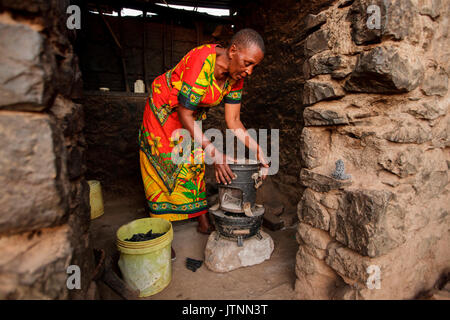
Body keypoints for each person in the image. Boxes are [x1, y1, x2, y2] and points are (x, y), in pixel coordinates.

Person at [138, 29, 268, 253]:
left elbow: (234, 120)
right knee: (163, 166)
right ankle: (162, 234)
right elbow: (184, 113)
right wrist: (216, 153)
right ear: (233, 50)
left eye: (253, 66)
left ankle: (201, 219)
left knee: (194, 165)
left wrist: (258, 151)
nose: (250, 71)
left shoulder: (236, 78)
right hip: (162, 112)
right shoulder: (201, 61)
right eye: (248, 63)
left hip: (188, 116)